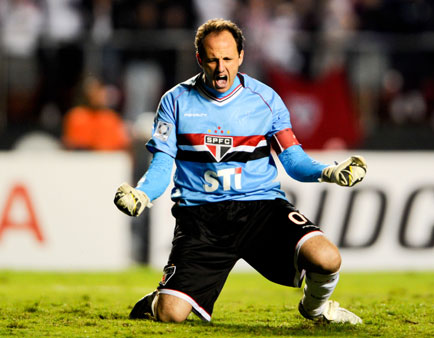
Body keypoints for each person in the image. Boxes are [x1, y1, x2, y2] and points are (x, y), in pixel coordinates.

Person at [114, 18, 367, 324]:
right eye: (212, 59)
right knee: (171, 314)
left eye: (227, 59)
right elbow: (162, 164)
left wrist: (329, 171)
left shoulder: (266, 100)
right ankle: (158, 300)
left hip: (259, 209)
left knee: (327, 258)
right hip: (201, 217)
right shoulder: (175, 101)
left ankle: (316, 310)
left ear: (241, 57)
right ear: (199, 59)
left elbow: (293, 160)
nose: (221, 69)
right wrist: (142, 193)